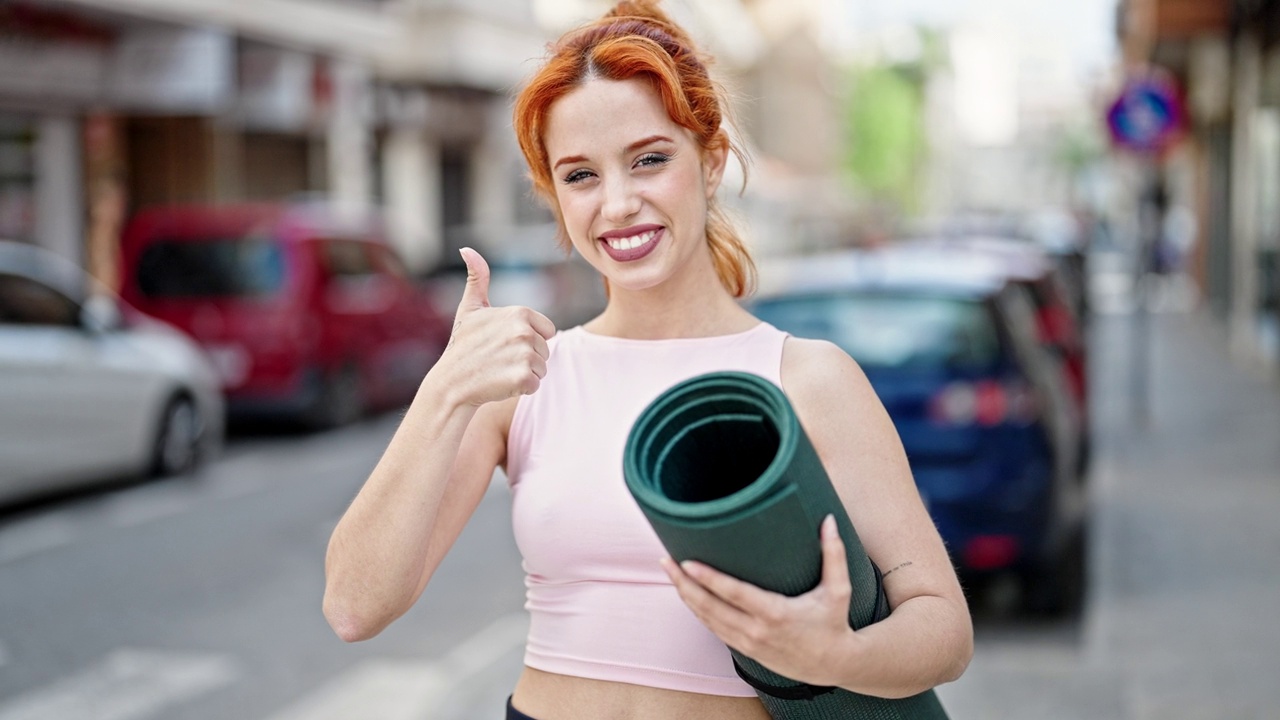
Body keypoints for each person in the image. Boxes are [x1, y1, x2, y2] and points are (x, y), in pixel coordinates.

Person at [321, 2, 973, 718]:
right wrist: (444, 392)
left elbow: (942, 628)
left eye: (650, 160)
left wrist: (834, 657)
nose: (619, 203)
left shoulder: (806, 377)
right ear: (554, 197)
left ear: (712, 160)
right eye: (580, 176)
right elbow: (355, 608)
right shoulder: (529, 377)